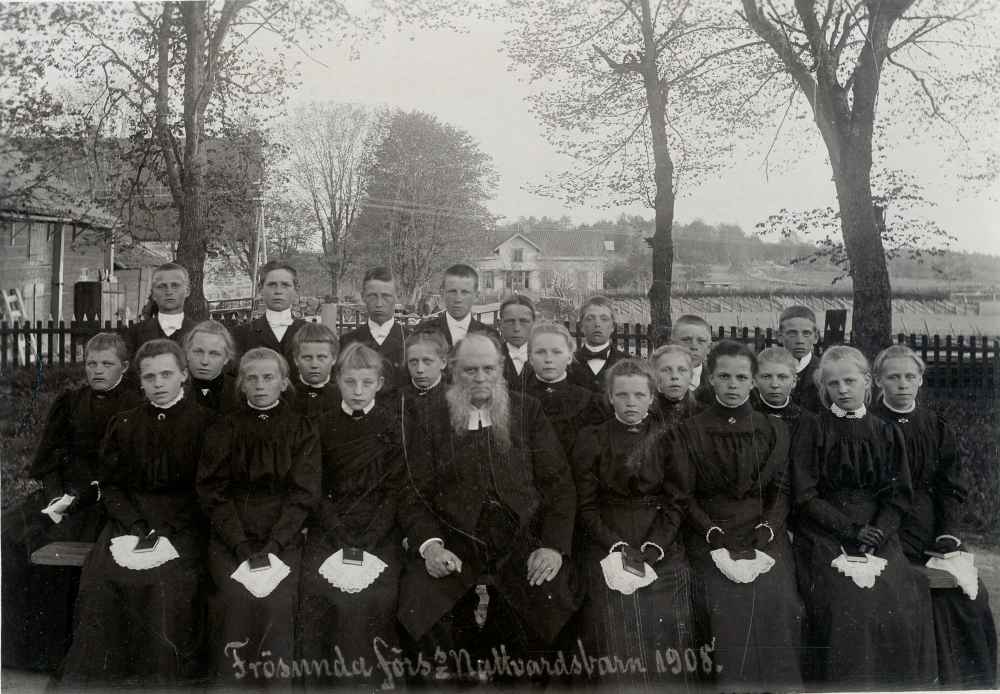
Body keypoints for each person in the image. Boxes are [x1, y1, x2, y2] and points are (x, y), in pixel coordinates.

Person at [397, 333, 582, 684]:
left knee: (550, 594)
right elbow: (412, 495)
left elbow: (559, 485)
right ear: (453, 371)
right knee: (421, 600)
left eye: (488, 369)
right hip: (454, 538)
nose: (480, 378)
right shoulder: (430, 417)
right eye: (470, 370)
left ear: (501, 369)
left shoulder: (527, 410)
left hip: (520, 540)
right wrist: (430, 546)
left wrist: (553, 546)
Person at [62, 339, 214, 686]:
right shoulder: (125, 422)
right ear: (140, 381)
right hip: (128, 519)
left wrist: (169, 528)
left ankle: (158, 682)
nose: (158, 383)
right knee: (101, 581)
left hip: (185, 521)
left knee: (165, 585)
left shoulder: (207, 423)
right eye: (149, 377)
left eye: (166, 374)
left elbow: (207, 491)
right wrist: (133, 523)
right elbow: (112, 486)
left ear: (184, 376)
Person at [792, 345, 935, 689]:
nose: (842, 389)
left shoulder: (886, 431)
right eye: (833, 383)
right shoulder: (814, 428)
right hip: (826, 530)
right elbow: (805, 493)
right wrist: (851, 529)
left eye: (850, 381)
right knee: (847, 600)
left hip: (877, 532)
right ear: (823, 388)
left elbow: (899, 494)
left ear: (867, 381)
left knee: (895, 597)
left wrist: (880, 532)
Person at [1, 333, 141, 672]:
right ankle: (27, 652)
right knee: (16, 535)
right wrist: (54, 499)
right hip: (64, 489)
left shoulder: (135, 404)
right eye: (92, 364)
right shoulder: (71, 401)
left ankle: (72, 655)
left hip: (106, 493)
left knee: (80, 549)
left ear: (123, 367)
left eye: (107, 364)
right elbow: (50, 458)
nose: (98, 371)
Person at [672, 340, 804, 691]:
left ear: (754, 381)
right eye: (724, 376)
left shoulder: (775, 429)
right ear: (710, 379)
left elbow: (781, 490)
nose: (733, 385)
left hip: (762, 531)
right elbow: (682, 495)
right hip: (708, 531)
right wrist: (710, 531)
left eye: (742, 377)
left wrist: (769, 528)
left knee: (779, 597)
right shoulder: (689, 429)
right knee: (722, 601)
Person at [871, 345, 997, 688]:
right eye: (893, 377)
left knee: (968, 594)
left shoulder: (935, 425)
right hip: (884, 525)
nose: (902, 384)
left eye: (910, 377)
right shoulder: (868, 423)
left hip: (929, 525)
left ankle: (963, 682)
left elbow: (951, 487)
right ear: (878, 380)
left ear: (921, 380)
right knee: (908, 586)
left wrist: (949, 532)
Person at [570, 358, 698, 689]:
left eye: (639, 396)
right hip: (606, 536)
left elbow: (677, 498)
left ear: (651, 398)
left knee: (665, 611)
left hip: (659, 536)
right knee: (613, 611)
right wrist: (614, 544)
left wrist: (658, 544)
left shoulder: (668, 438)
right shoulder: (593, 437)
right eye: (623, 395)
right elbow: (585, 504)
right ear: (610, 397)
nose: (631, 403)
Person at [196, 348, 321, 686]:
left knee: (279, 600)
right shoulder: (225, 427)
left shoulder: (300, 427)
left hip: (284, 533)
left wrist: (276, 543)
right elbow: (213, 492)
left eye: (268, 378)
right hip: (231, 531)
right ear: (241, 386)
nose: (260, 385)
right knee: (234, 595)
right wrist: (237, 542)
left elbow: (304, 494)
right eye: (252, 378)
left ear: (283, 383)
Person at [297, 343, 405, 689]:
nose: (358, 392)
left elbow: (395, 490)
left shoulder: (393, 424)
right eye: (349, 383)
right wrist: (340, 533)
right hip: (330, 525)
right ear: (337, 382)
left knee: (378, 594)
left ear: (379, 383)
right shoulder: (321, 423)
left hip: (379, 526)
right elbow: (315, 486)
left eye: (367, 383)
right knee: (317, 587)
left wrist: (372, 537)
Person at [524, 320, 607, 459]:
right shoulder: (519, 399)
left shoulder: (589, 402)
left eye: (557, 352)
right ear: (530, 359)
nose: (549, 359)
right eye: (540, 352)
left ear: (569, 357)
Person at [231, 260, 308, 383]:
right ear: (260, 289)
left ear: (296, 290)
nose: (278, 291)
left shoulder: (309, 331)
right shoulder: (240, 334)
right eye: (272, 285)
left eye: (285, 285)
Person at [339, 267, 408, 405]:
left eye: (386, 296)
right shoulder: (347, 341)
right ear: (363, 296)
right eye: (372, 296)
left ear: (397, 296)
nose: (379, 304)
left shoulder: (411, 339)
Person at [123, 263, 197, 388]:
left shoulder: (198, 332)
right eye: (161, 287)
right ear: (153, 294)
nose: (169, 292)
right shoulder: (135, 332)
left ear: (187, 290)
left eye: (175, 286)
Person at [415, 264, 497, 345]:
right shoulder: (422, 331)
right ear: (442, 294)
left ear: (476, 296)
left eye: (465, 292)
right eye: (452, 292)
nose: (458, 299)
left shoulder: (490, 335)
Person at [752, 346, 819, 439]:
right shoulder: (745, 418)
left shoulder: (810, 422)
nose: (774, 384)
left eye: (782, 377)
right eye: (766, 376)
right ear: (755, 381)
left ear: (794, 381)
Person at [569, 295, 624, 393]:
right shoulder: (568, 364)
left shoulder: (627, 363)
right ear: (581, 325)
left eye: (604, 319)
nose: (597, 324)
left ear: (612, 326)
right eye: (590, 319)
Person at [398, 331, 449, 436]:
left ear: (443, 362)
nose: (420, 369)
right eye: (413, 361)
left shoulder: (454, 398)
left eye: (427, 361)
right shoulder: (397, 398)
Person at [183, 320, 239, 413]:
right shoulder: (174, 387)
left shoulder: (238, 391)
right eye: (198, 352)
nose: (204, 361)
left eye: (214, 354)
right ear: (188, 353)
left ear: (226, 358)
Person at [647, 344, 706, 428]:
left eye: (682, 370)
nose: (674, 376)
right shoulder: (646, 413)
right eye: (666, 370)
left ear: (691, 376)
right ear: (654, 376)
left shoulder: (703, 413)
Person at [777, 305, 823, 413]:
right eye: (791, 333)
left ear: (815, 337)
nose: (799, 340)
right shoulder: (767, 371)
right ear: (779, 336)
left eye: (806, 333)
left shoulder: (824, 371)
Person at [291, 322, 341, 416]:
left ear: (334, 358)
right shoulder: (288, 396)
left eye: (321, 357)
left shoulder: (342, 395)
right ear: (296, 359)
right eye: (307, 357)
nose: (314, 365)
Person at [669, 314, 714, 403]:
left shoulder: (715, 384)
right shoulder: (657, 381)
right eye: (686, 340)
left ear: (708, 348)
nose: (694, 346)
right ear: (672, 344)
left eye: (701, 341)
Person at [498, 294, 535, 394]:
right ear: (500, 325)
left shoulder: (544, 357)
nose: (517, 329)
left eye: (524, 321)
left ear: (534, 324)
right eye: (510, 321)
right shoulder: (492, 357)